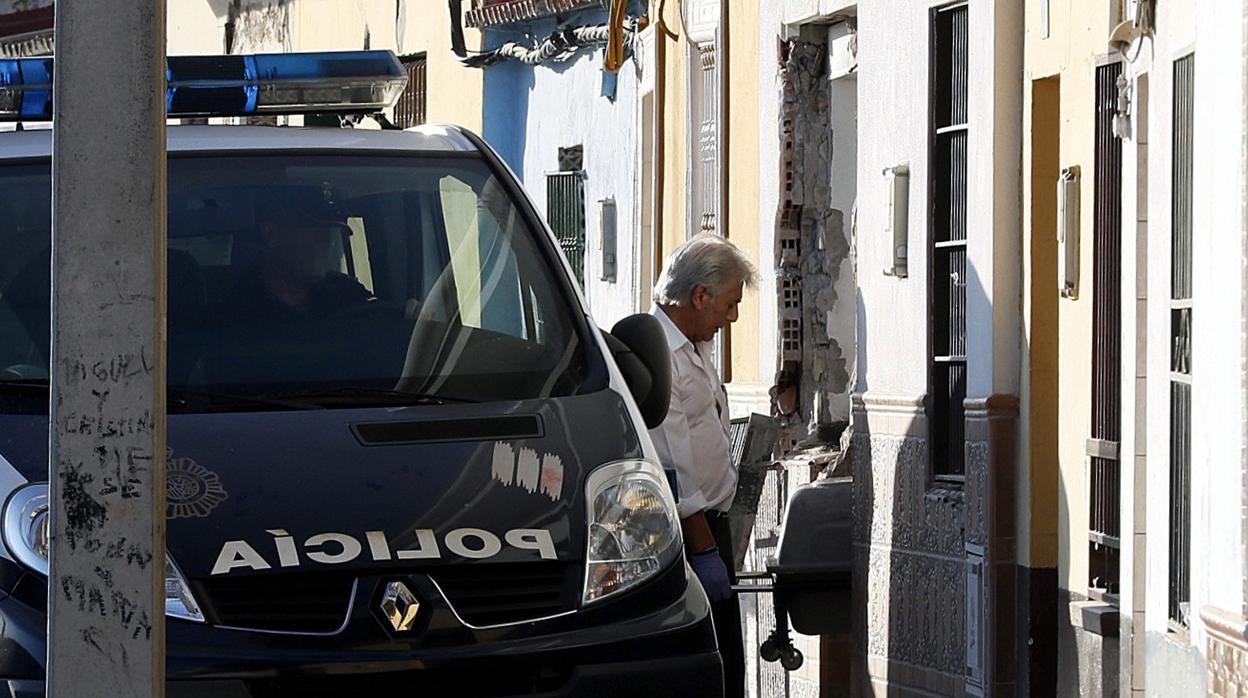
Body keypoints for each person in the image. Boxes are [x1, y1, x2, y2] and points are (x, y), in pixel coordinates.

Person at [648, 233, 757, 698]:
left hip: (714, 528)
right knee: (714, 668)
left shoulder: (693, 348)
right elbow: (672, 463)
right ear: (699, 296)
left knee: (730, 662)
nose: (731, 317)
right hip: (692, 537)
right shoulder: (659, 355)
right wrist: (704, 549)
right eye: (729, 304)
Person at [222, 185, 372, 323]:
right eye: (317, 232)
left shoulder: (346, 294)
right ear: (270, 234)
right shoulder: (231, 319)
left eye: (329, 233)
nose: (328, 243)